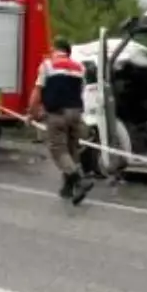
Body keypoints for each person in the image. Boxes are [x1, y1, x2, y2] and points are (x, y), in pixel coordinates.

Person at [28, 37, 93, 205]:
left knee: (58, 150)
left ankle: (79, 180)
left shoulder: (47, 66)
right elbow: (81, 91)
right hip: (76, 113)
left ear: (54, 50)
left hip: (57, 114)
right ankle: (68, 188)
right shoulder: (80, 68)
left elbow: (37, 92)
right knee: (72, 151)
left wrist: (31, 113)